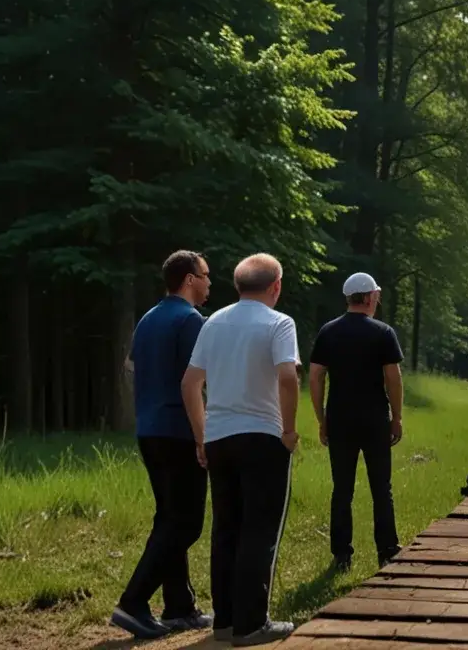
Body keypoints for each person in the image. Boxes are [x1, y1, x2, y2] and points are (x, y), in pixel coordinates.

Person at [181, 253, 300, 646]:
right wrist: (289, 430)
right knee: (259, 529)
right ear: (276, 286)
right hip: (263, 436)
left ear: (236, 286)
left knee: (226, 529)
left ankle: (226, 621)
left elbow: (190, 383)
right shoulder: (280, 323)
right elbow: (287, 377)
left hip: (219, 438)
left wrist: (202, 435)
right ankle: (252, 624)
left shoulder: (213, 322)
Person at [111, 251, 213, 640]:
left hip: (149, 428)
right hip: (179, 431)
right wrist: (202, 437)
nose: (208, 284)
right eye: (205, 277)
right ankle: (133, 602)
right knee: (186, 523)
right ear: (189, 279)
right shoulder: (190, 321)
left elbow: (130, 368)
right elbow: (195, 382)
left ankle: (179, 606)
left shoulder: (148, 318)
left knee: (169, 516)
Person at [309, 272, 405, 571]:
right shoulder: (383, 332)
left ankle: (341, 555)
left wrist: (321, 418)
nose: (378, 299)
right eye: (375, 294)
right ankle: (387, 550)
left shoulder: (328, 331)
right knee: (381, 488)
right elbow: (393, 378)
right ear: (367, 297)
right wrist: (397, 417)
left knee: (342, 490)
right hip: (375, 419)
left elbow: (315, 376)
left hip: (339, 419)